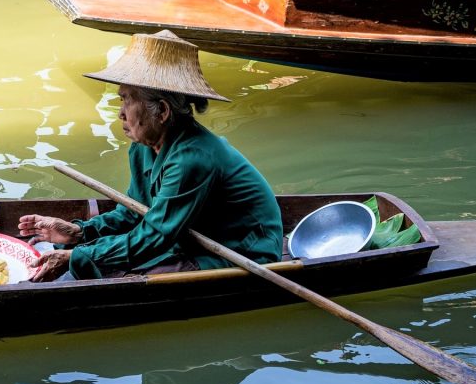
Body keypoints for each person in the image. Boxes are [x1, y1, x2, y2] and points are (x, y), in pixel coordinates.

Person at [18, 29, 283, 281]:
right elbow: (135, 212)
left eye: (127, 100)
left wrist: (78, 255)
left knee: (112, 273)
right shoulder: (144, 147)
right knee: (86, 259)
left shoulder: (193, 157)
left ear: (162, 111)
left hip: (240, 253)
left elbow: (154, 235)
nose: (121, 112)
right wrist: (79, 233)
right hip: (186, 236)